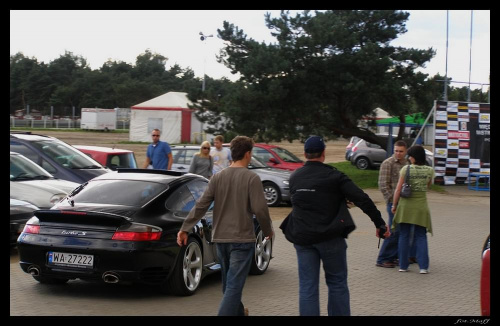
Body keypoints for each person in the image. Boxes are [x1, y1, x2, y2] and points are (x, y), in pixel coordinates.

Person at [280, 135, 389, 316]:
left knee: (307, 286)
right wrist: (379, 223)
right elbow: (361, 198)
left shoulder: (295, 177)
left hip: (303, 239)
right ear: (323, 153)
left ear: (305, 154)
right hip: (330, 238)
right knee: (337, 283)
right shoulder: (334, 176)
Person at [177, 136, 274, 316]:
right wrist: (267, 231)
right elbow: (260, 209)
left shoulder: (217, 178)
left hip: (220, 239)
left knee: (229, 288)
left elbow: (201, 205)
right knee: (233, 288)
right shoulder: (252, 178)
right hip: (242, 241)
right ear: (247, 154)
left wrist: (185, 228)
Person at [392, 145, 434, 274]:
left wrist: (394, 205)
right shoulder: (429, 170)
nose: (409, 158)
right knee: (421, 236)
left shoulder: (406, 169)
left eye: (410, 155)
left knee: (404, 235)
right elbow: (428, 186)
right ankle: (423, 267)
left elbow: (398, 189)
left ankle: (403, 266)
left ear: (414, 157)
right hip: (421, 207)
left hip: (405, 207)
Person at [376, 140, 417, 268]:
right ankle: (383, 258)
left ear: (406, 152)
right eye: (396, 151)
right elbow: (383, 185)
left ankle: (397, 256)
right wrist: (391, 200)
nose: (398, 154)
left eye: (401, 151)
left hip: (406, 203)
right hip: (393, 204)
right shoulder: (388, 163)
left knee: (405, 231)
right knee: (394, 230)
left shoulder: (408, 163)